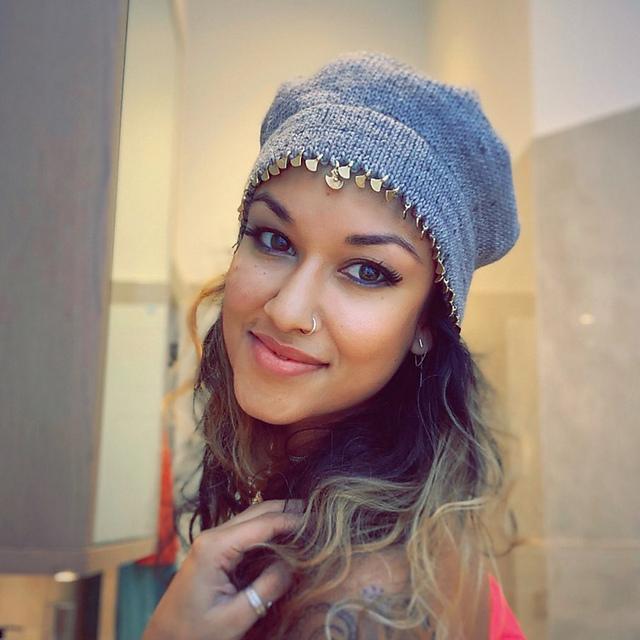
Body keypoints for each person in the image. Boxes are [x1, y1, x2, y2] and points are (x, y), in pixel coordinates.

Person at [143, 51, 527, 639]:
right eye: (273, 239)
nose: (288, 310)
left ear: (426, 324)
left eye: (367, 272)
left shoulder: (368, 596)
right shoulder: (336, 514)